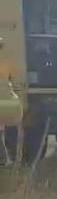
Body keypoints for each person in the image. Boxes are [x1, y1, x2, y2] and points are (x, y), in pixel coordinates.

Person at [0, 38, 23, 166]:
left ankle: (6, 159)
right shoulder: (9, 63)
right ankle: (14, 160)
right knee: (17, 129)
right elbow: (17, 82)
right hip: (10, 103)